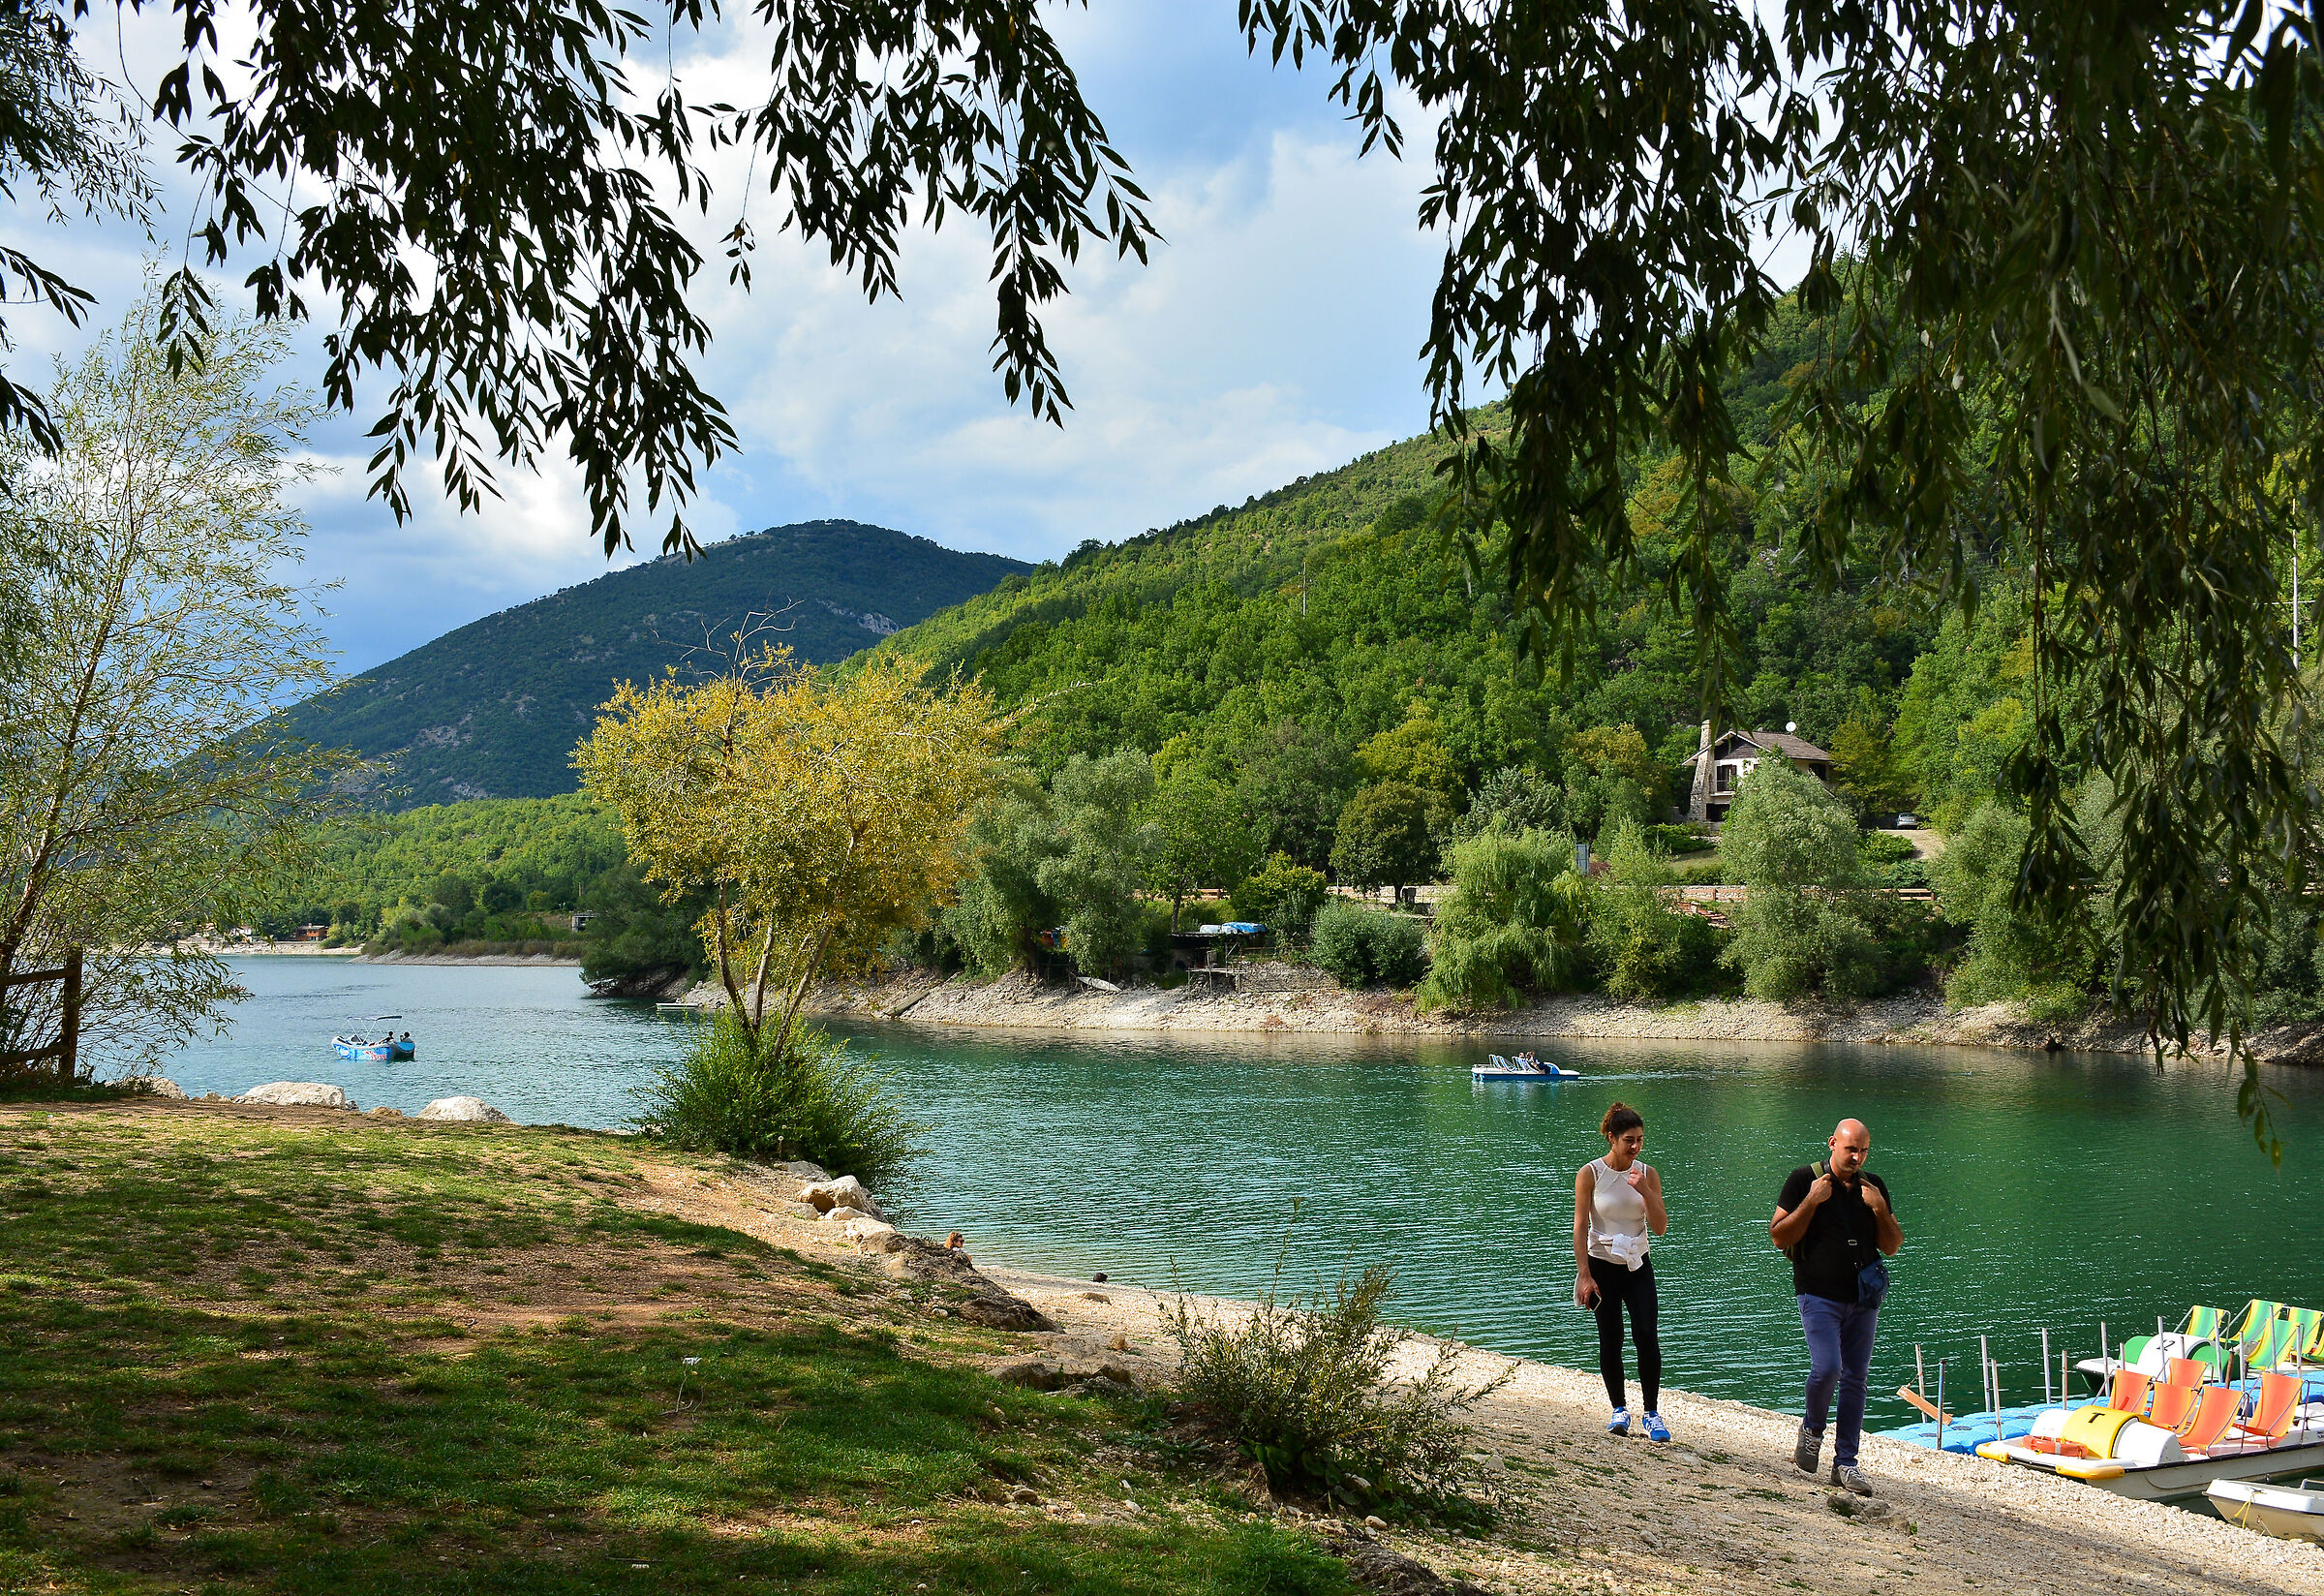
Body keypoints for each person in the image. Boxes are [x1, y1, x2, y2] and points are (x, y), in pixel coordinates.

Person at [1770, 1118, 1903, 1495]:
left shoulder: (1873, 1187)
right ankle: (1812, 1429)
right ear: (1832, 1144)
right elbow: (1779, 1236)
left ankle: (1846, 1462)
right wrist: (1811, 1200)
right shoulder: (1803, 1180)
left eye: (1863, 1150)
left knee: (1855, 1379)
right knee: (1828, 1367)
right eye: (1850, 1149)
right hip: (1818, 1293)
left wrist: (1879, 1208)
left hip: (1863, 1297)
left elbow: (1892, 1245)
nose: (1857, 1157)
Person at [1574, 1101, 1669, 1440]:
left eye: (1640, 1139)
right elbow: (1580, 1227)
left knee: (1646, 1335)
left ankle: (1652, 1413)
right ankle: (1618, 1409)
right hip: (1602, 1266)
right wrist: (1584, 1275)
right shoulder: (1590, 1173)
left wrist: (1643, 1188)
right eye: (1629, 1140)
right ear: (1611, 1139)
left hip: (1638, 1266)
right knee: (1611, 1337)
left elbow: (1660, 1227)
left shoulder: (1647, 1173)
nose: (1635, 1147)